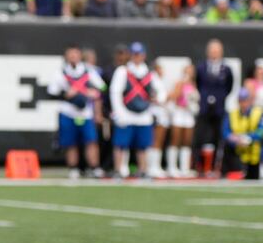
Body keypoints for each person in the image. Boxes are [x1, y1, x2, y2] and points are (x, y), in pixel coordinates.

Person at [47, 46, 105, 179]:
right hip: (68, 112)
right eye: (70, 54)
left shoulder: (88, 70)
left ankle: (94, 167)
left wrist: (92, 92)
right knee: (70, 143)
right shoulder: (60, 73)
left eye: (75, 54)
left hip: (86, 113)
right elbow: (51, 93)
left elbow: (103, 87)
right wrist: (65, 95)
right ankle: (73, 169)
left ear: (80, 55)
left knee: (91, 141)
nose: (73, 57)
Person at [109, 42, 161, 179]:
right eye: (134, 54)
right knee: (120, 144)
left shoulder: (150, 73)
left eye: (139, 54)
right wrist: (119, 113)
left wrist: (158, 99)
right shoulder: (123, 71)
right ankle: (118, 169)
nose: (137, 57)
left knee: (143, 146)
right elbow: (115, 92)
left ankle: (143, 170)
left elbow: (161, 91)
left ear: (143, 55)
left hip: (143, 114)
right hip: (126, 113)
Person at [195, 39, 234, 175]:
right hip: (205, 108)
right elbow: (198, 84)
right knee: (201, 137)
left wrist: (220, 98)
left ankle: (216, 167)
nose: (214, 53)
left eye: (217, 50)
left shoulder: (226, 69)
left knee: (218, 138)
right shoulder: (201, 67)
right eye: (212, 50)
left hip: (219, 108)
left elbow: (229, 87)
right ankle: (200, 167)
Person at [224, 87, 263, 180]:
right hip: (237, 151)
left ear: (249, 101)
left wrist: (248, 138)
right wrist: (234, 139)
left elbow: (262, 131)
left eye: (245, 100)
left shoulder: (258, 112)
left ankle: (262, 166)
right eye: (241, 101)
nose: (243, 104)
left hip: (254, 153)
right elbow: (225, 132)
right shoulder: (232, 114)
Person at [164, 65, 199, 178]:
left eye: (191, 71)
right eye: (187, 71)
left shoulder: (194, 84)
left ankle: (185, 168)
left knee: (187, 141)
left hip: (188, 114)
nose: (189, 73)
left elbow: (195, 100)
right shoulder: (179, 83)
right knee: (175, 139)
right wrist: (181, 87)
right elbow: (173, 96)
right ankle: (172, 167)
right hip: (179, 112)